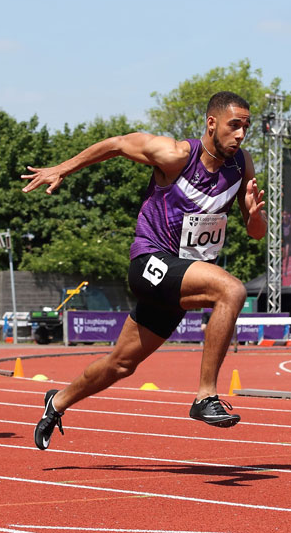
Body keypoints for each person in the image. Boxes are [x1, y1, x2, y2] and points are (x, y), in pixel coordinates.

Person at [22, 91, 266, 451]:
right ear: (211, 123)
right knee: (231, 290)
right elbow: (118, 144)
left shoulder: (241, 165)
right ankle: (204, 396)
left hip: (183, 276)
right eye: (234, 126)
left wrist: (255, 215)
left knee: (120, 364)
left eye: (246, 127)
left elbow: (255, 232)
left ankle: (56, 402)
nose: (241, 135)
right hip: (151, 262)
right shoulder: (176, 154)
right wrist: (62, 168)